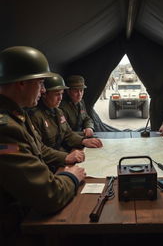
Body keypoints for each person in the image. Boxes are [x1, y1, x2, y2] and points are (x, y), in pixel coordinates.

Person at [0, 46, 85, 241]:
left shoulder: (17, 116)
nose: (44, 90)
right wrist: (71, 177)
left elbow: (37, 150)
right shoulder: (5, 129)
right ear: (21, 83)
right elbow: (49, 196)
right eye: (40, 83)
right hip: (15, 229)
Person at [30, 74, 103, 152]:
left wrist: (83, 141)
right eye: (57, 94)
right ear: (44, 94)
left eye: (61, 94)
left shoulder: (58, 112)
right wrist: (66, 157)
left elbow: (67, 133)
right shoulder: (36, 116)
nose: (60, 98)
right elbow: (41, 150)